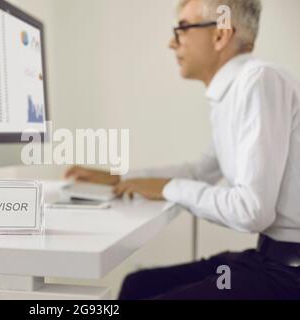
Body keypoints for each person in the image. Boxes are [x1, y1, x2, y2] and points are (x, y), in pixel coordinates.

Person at [65, 0, 300, 300]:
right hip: (269, 259)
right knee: (138, 285)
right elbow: (200, 171)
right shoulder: (234, 92)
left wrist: (168, 188)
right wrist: (121, 179)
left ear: (220, 35)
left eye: (183, 28)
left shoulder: (258, 82)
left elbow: (251, 211)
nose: (171, 42)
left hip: (288, 275)